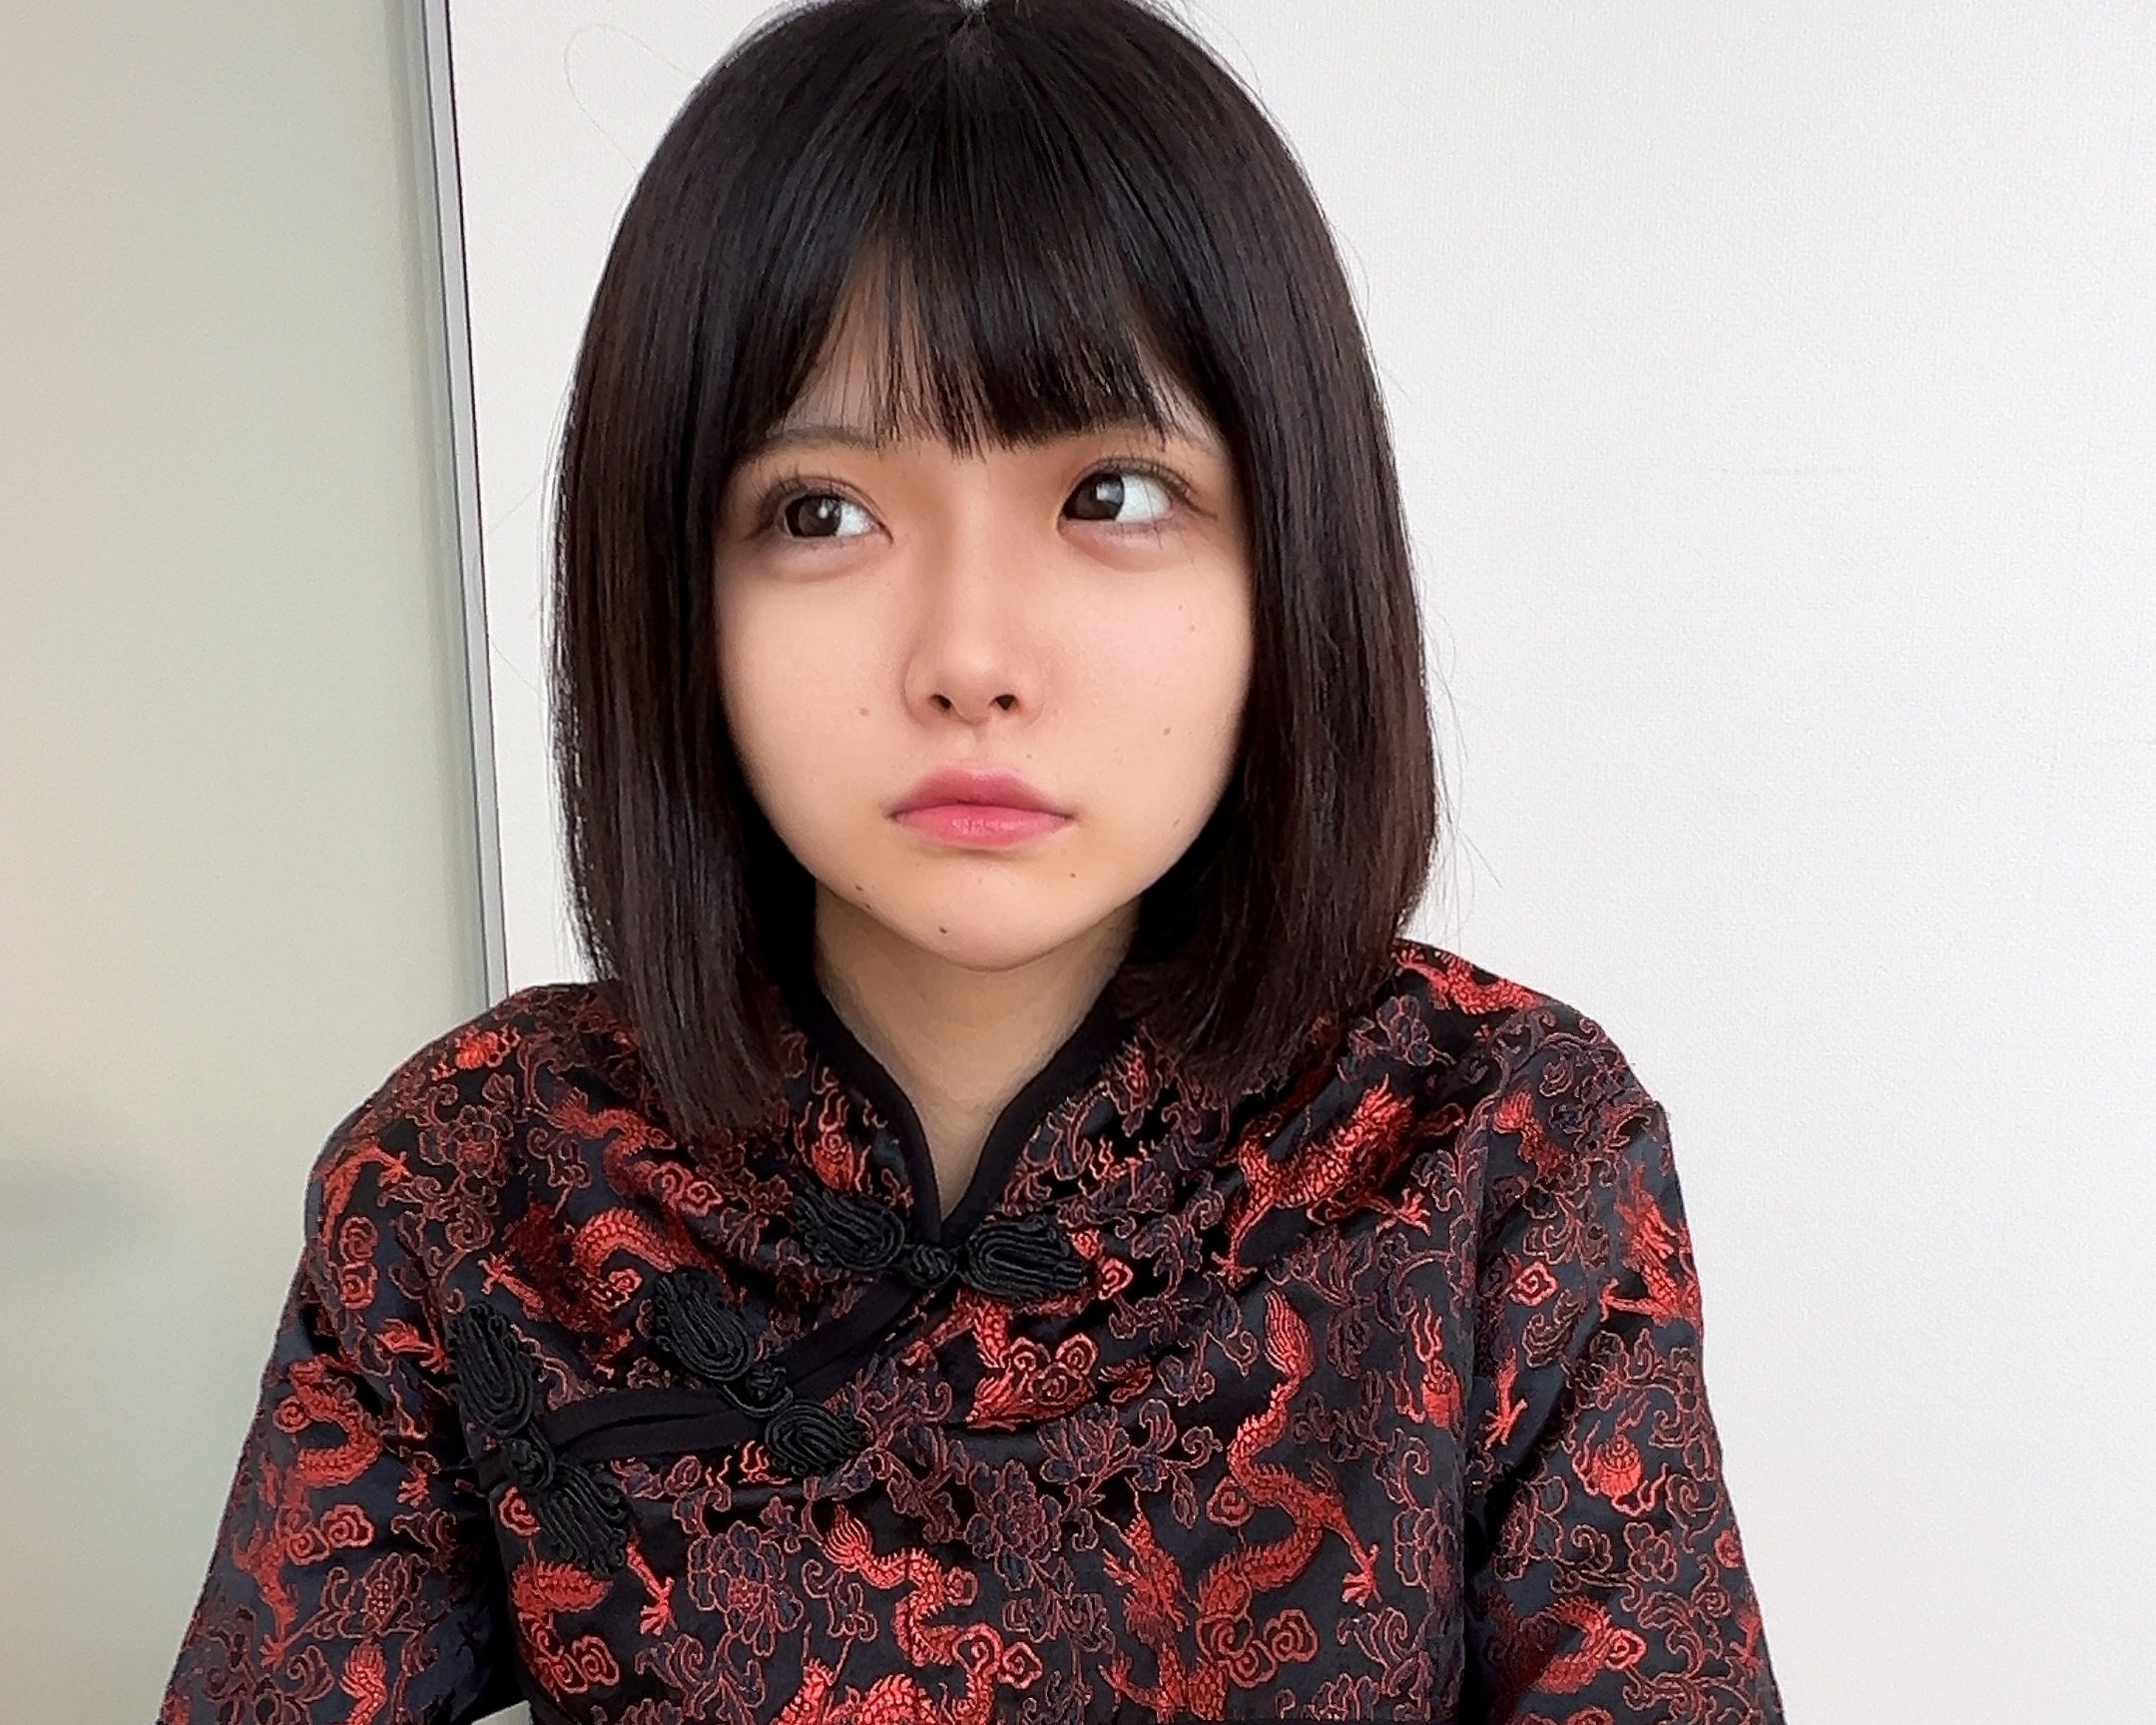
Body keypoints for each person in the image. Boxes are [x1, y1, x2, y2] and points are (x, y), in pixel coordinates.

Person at [161, 1, 1785, 1720]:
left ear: (1291, 553)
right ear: (673, 586)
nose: (971, 657)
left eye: (1113, 496)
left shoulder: (1497, 1152)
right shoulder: (474, 1188)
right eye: (822, 513)